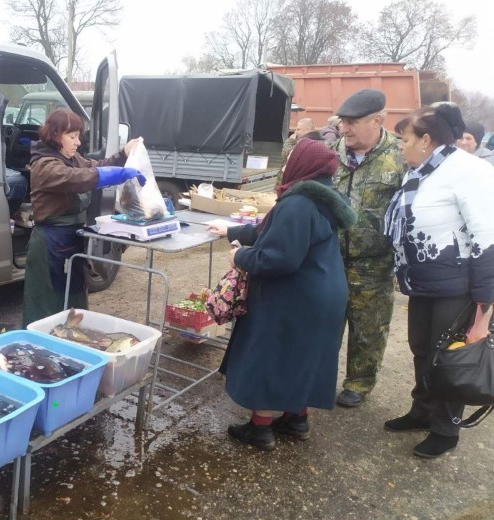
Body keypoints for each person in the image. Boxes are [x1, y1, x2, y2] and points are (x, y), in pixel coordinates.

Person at [206, 139, 357, 450]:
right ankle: (296, 420)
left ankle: (260, 428)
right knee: (303, 357)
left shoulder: (297, 203)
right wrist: (231, 231)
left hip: (295, 296)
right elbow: (271, 232)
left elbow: (278, 259)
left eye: (290, 159)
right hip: (324, 292)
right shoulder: (323, 198)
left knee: (271, 355)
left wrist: (240, 256)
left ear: (303, 164)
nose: (285, 164)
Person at [383, 103, 494, 458]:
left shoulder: (469, 171)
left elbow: (487, 237)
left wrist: (485, 308)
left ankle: (446, 430)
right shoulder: (422, 171)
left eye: (405, 140)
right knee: (421, 348)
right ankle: (423, 411)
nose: (401, 147)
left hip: (457, 287)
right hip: (423, 282)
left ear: (426, 140)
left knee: (448, 357)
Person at [22, 108, 143, 326]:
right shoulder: (45, 166)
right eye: (73, 136)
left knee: (74, 302)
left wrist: (123, 154)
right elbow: (78, 178)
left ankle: (72, 343)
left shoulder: (70, 158)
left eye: (78, 136)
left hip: (71, 241)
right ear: (56, 135)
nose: (78, 142)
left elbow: (95, 166)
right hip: (50, 246)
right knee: (49, 309)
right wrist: (112, 176)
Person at [332, 89, 406, 408]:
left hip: (374, 263)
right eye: (342, 122)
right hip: (331, 259)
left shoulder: (400, 157)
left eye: (352, 122)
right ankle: (319, 377)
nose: (344, 129)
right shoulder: (331, 153)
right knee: (326, 323)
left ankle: (359, 383)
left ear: (377, 120)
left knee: (369, 328)